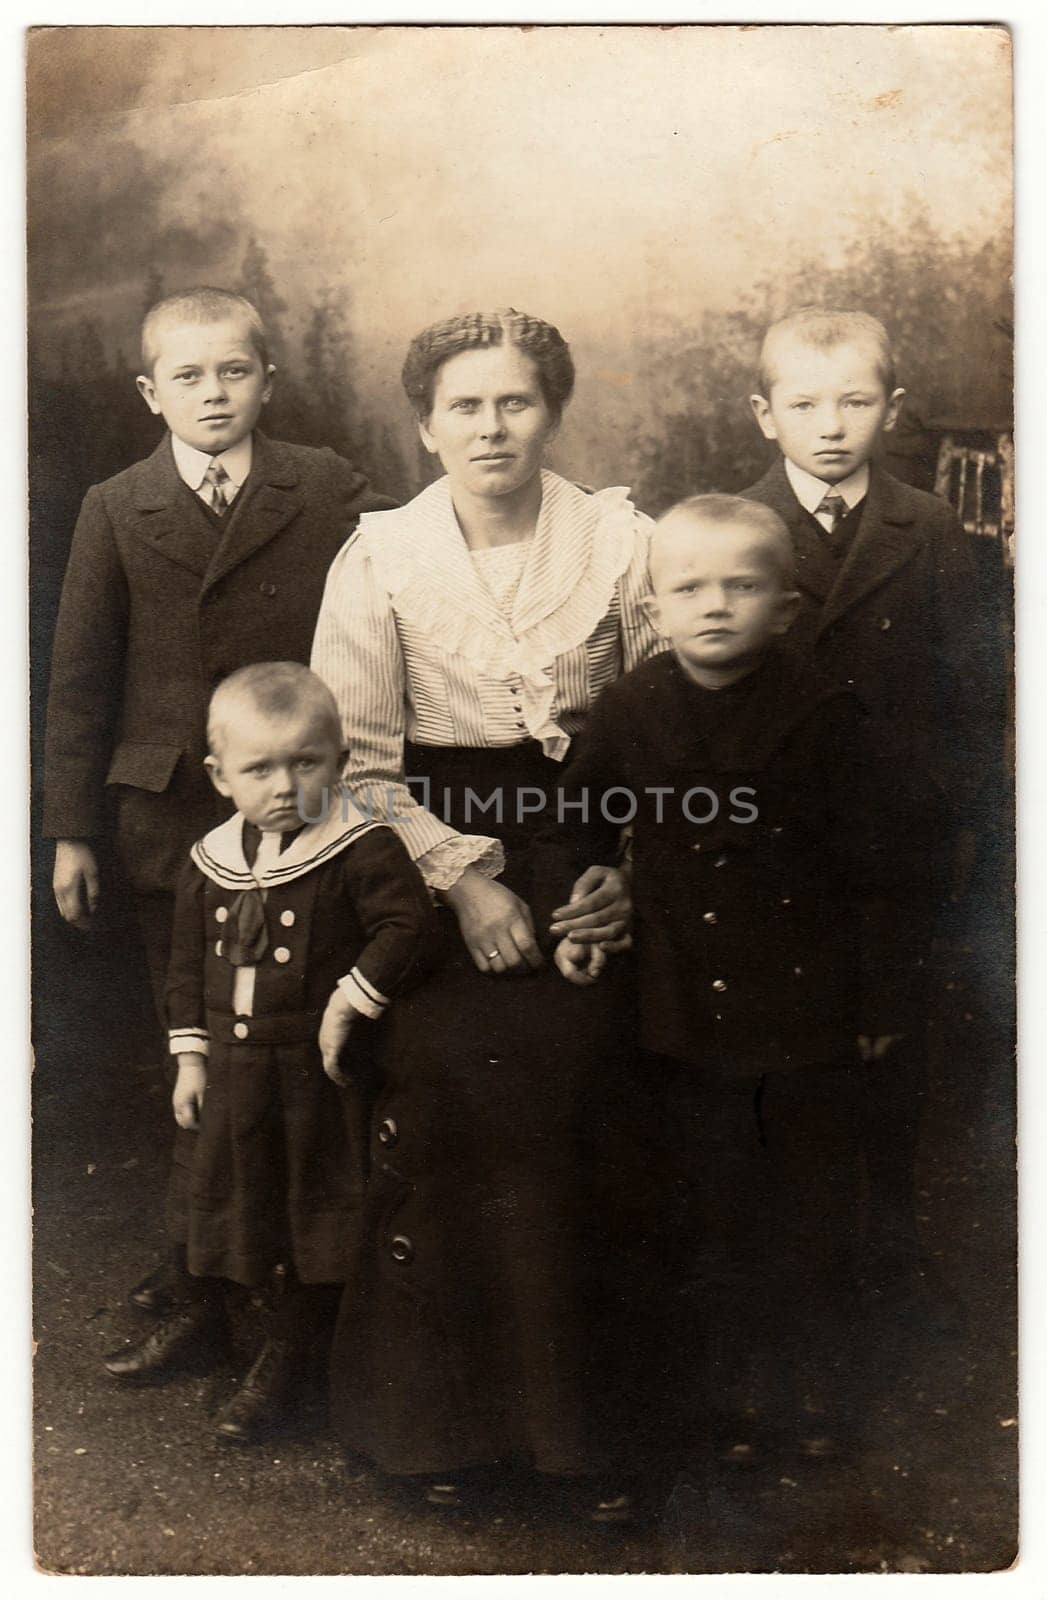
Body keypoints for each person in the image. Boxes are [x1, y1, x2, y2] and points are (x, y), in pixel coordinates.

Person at [310, 308, 663, 1518]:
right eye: (464, 405)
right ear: (425, 424)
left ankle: (592, 1436)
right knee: (449, 1065)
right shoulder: (379, 557)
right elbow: (352, 762)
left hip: (590, 839)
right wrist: (459, 881)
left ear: (551, 411)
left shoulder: (622, 541)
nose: (491, 426)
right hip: (422, 852)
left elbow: (670, 730)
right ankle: (437, 1429)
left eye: (515, 401)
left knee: (586, 1068)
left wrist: (629, 876)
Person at [540, 495, 923, 1464]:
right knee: (709, 1198)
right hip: (680, 1002)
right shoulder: (631, 708)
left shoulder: (825, 712)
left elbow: (881, 871)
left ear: (787, 606)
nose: (716, 606)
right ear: (655, 608)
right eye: (690, 588)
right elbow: (577, 823)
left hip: (804, 1005)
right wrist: (589, 892)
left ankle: (818, 1389)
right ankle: (727, 1391)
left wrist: (878, 1001)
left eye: (744, 586)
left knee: (812, 1203)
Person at [43, 287, 393, 1316]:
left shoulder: (322, 484)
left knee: (292, 1050)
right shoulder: (116, 503)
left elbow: (395, 592)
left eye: (233, 371)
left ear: (268, 381)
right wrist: (70, 831)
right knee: (194, 1043)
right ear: (151, 392)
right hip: (167, 821)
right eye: (187, 377)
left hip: (299, 804)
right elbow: (77, 678)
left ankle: (299, 1279)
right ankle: (196, 1261)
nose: (212, 393)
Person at [739, 307, 1001, 1313]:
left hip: (897, 832)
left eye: (855, 401)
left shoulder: (927, 525)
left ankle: (890, 1238)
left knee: (894, 1038)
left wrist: (963, 815)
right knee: (781, 1039)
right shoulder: (736, 521)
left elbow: (970, 685)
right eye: (805, 404)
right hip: (774, 830)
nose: (832, 425)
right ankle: (782, 1253)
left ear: (893, 409)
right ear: (766, 416)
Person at [102, 664, 437, 1444]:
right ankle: (206, 1320)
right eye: (260, 769)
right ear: (221, 777)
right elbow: (187, 968)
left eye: (306, 762)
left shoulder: (358, 846)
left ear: (341, 759)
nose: (285, 786)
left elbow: (409, 928)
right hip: (230, 1068)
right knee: (214, 1193)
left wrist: (354, 995)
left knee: (305, 1210)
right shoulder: (212, 858)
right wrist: (190, 1060)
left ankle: (293, 1354)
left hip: (309, 1078)